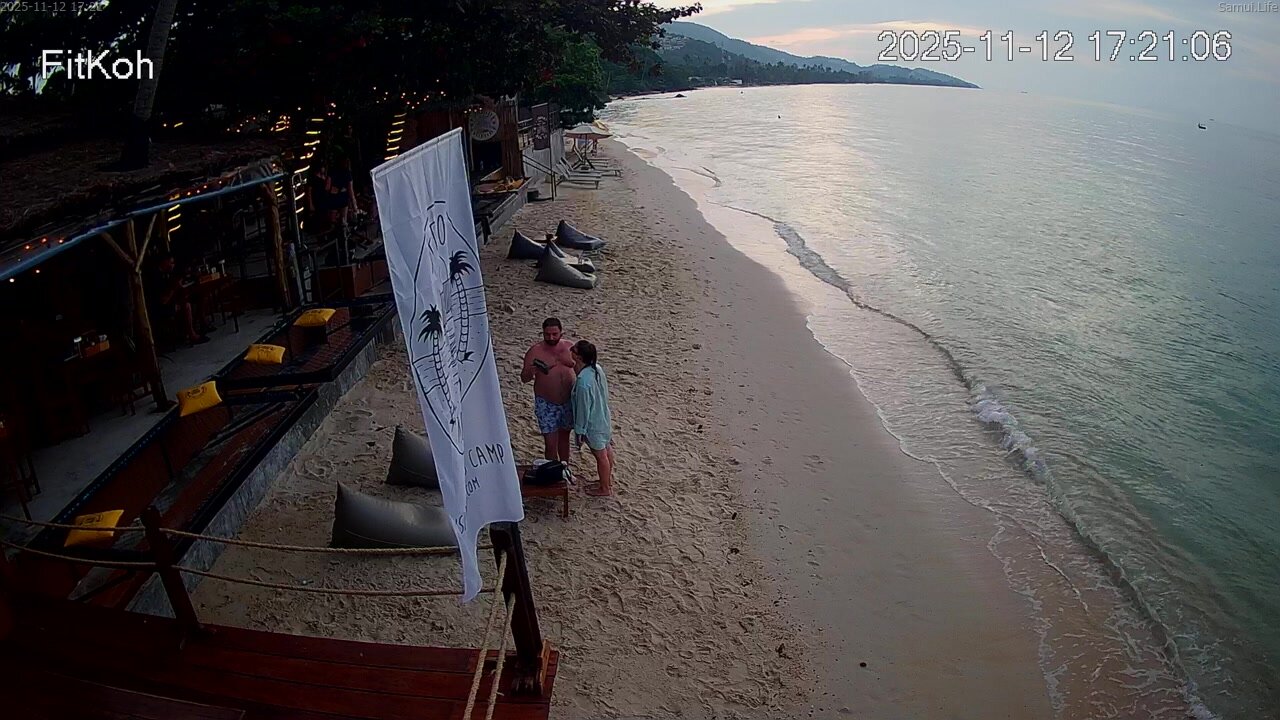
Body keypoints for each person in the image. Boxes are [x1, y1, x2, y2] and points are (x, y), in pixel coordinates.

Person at [521, 317, 576, 462]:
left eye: (554, 334)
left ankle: (564, 468)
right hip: (546, 402)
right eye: (547, 334)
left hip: (568, 401)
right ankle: (552, 469)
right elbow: (524, 378)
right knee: (550, 442)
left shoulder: (570, 347)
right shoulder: (535, 351)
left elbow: (584, 369)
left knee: (564, 438)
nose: (551, 338)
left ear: (561, 333)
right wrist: (531, 371)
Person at [571, 340, 614, 496]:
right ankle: (606, 481)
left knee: (600, 455)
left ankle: (604, 488)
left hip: (593, 423)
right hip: (603, 416)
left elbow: (583, 409)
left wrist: (579, 431)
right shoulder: (597, 369)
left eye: (573, 350)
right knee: (607, 449)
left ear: (579, 357)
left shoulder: (583, 382)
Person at [143, 253, 208, 345]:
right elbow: (163, 300)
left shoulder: (168, 274)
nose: (173, 265)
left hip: (171, 301)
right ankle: (191, 334)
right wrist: (175, 287)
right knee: (186, 306)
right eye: (171, 263)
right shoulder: (155, 277)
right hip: (160, 308)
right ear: (165, 262)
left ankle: (202, 324)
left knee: (198, 296)